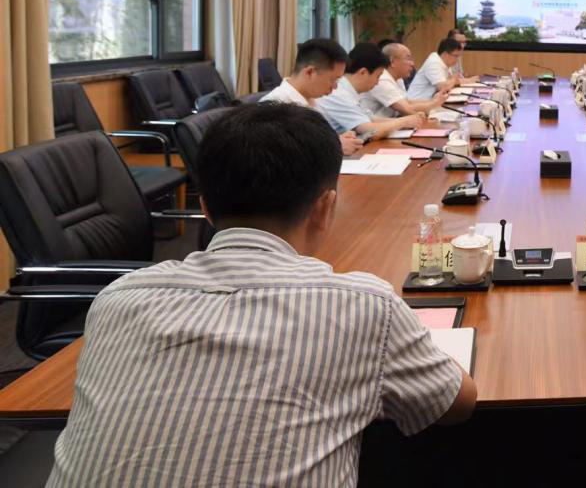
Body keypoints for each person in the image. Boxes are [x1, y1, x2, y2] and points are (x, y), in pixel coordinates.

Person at [46, 103, 476, 486]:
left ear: (205, 207)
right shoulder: (364, 305)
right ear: (326, 208)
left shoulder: (118, 297)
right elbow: (455, 404)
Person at [261, 37, 360, 155]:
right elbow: (279, 155)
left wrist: (336, 139)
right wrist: (334, 146)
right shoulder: (275, 105)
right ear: (310, 72)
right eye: (333, 79)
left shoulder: (313, 99)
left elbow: (308, 142)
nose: (335, 87)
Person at [316, 42, 425, 142]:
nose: (377, 82)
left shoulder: (350, 90)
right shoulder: (339, 94)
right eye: (377, 76)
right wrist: (403, 122)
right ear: (363, 72)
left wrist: (407, 121)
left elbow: (371, 119)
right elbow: (371, 131)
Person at [362, 42, 450, 119]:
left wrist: (433, 101)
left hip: (391, 123)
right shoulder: (382, 79)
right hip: (374, 129)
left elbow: (406, 102)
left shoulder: (398, 78)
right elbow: (406, 109)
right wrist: (434, 103)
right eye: (408, 59)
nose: (412, 64)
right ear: (392, 61)